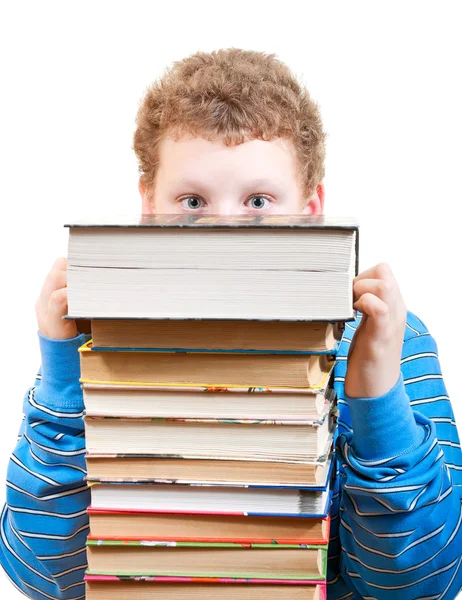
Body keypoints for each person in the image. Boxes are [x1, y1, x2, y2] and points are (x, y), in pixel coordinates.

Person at [1, 48, 461, 600]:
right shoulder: (100, 344)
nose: (224, 231)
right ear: (147, 207)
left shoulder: (389, 343)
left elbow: (422, 584)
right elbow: (46, 576)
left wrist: (376, 396)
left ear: (313, 210)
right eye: (192, 201)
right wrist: (61, 375)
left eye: (259, 202)